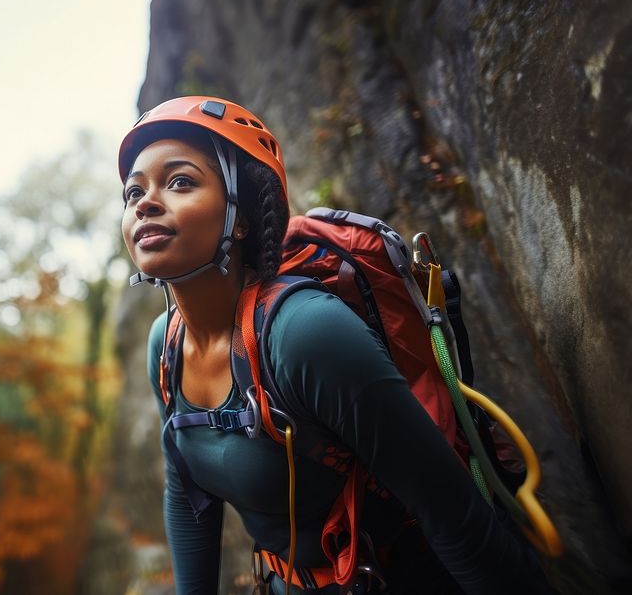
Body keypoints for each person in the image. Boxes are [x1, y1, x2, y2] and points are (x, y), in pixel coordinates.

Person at [118, 96, 551, 594]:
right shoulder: (166, 347)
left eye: (180, 182)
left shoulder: (305, 334)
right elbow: (185, 493)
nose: (145, 202)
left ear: (240, 218)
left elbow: (457, 520)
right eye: (133, 193)